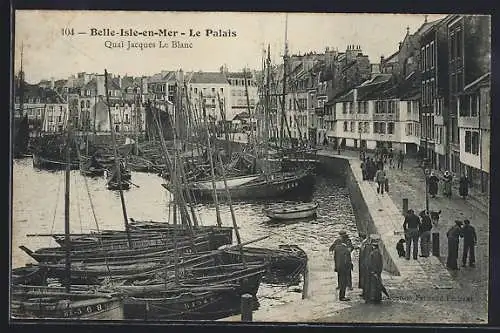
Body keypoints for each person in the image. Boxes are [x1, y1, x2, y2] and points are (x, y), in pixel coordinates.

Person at [365, 234, 384, 304]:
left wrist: (374, 272)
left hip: (374, 272)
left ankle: (374, 298)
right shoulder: (378, 252)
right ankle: (377, 297)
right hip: (377, 271)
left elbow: (374, 263)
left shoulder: (374, 253)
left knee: (374, 285)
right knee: (377, 284)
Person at [358, 233, 370, 298]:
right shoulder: (363, 244)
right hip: (362, 264)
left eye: (360, 238)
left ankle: (365, 293)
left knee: (365, 279)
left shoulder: (365, 244)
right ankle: (364, 292)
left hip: (364, 265)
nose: (359, 239)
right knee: (363, 278)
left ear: (362, 238)